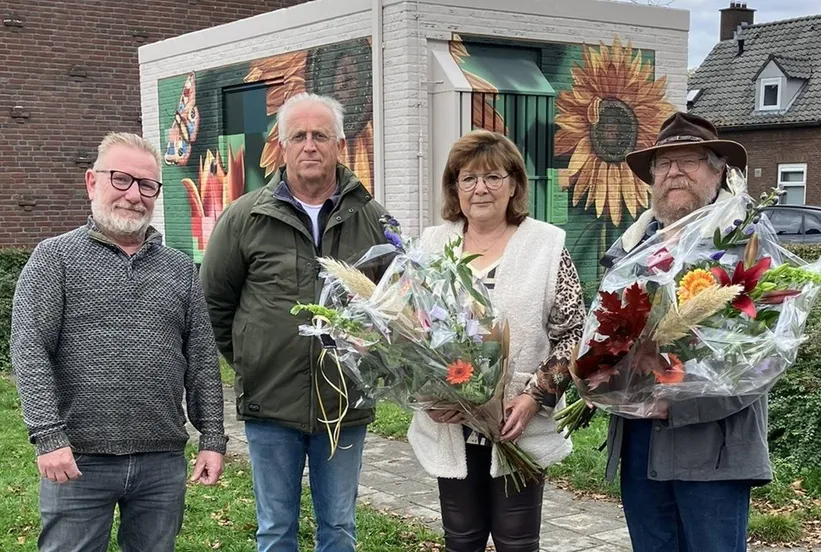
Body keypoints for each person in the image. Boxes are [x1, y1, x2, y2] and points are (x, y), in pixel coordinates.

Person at [11, 132, 227, 552]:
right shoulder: (54, 258)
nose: (134, 195)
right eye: (122, 180)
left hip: (161, 462)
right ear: (93, 182)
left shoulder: (180, 269)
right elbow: (29, 348)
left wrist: (213, 438)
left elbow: (201, 359)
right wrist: (48, 436)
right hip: (77, 460)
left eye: (147, 185)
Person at [199, 92, 388, 552]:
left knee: (339, 528)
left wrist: (371, 362)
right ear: (281, 147)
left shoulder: (374, 219)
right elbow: (214, 304)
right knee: (275, 530)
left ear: (339, 145)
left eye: (319, 135)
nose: (309, 145)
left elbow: (395, 311)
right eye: (297, 136)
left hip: (343, 404)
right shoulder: (245, 218)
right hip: (271, 403)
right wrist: (252, 356)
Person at [407, 129, 586, 552]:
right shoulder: (432, 244)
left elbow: (573, 332)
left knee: (517, 542)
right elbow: (410, 329)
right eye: (467, 178)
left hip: (515, 423)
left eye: (493, 177)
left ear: (514, 185)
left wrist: (535, 397)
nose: (480, 188)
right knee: (462, 540)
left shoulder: (544, 245)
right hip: (452, 423)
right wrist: (429, 393)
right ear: (455, 187)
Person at [602, 112, 767, 552]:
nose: (673, 172)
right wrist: (603, 374)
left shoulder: (745, 240)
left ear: (718, 171)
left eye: (689, 160)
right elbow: (604, 331)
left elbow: (765, 355)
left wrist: (678, 403)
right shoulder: (630, 248)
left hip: (712, 448)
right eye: (663, 164)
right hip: (639, 443)